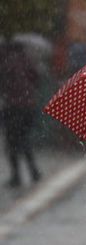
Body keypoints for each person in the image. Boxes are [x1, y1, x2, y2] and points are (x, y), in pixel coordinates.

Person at [0, 42, 41, 188]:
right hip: (29, 105)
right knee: (24, 139)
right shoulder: (28, 60)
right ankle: (34, 171)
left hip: (13, 106)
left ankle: (16, 176)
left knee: (12, 142)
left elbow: (4, 84)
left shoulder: (6, 63)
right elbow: (36, 78)